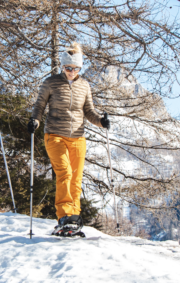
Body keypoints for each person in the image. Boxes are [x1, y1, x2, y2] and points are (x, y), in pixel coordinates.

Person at [28, 43, 110, 233]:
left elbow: (89, 111)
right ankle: (64, 214)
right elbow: (39, 106)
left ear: (80, 67)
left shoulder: (84, 85)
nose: (71, 71)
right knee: (64, 172)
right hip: (55, 135)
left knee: (76, 179)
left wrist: (101, 121)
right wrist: (35, 121)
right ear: (62, 66)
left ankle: (74, 215)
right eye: (67, 68)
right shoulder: (51, 82)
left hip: (78, 138)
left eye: (75, 68)